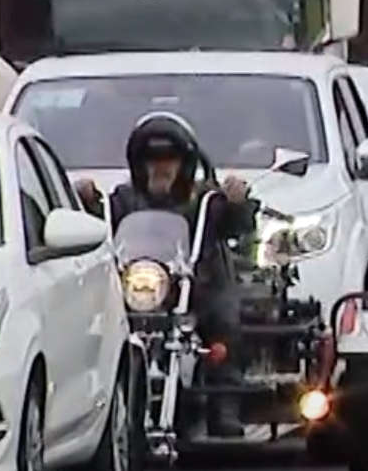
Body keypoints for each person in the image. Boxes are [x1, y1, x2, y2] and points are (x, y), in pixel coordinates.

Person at [76, 111, 255, 439]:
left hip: (196, 284)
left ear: (184, 163)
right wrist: (86, 200)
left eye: (169, 159)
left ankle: (224, 406)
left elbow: (238, 225)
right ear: (138, 164)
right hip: (142, 286)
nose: (161, 167)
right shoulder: (124, 199)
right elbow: (100, 224)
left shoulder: (204, 199)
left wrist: (236, 202)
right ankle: (94, 409)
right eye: (152, 159)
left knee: (224, 318)